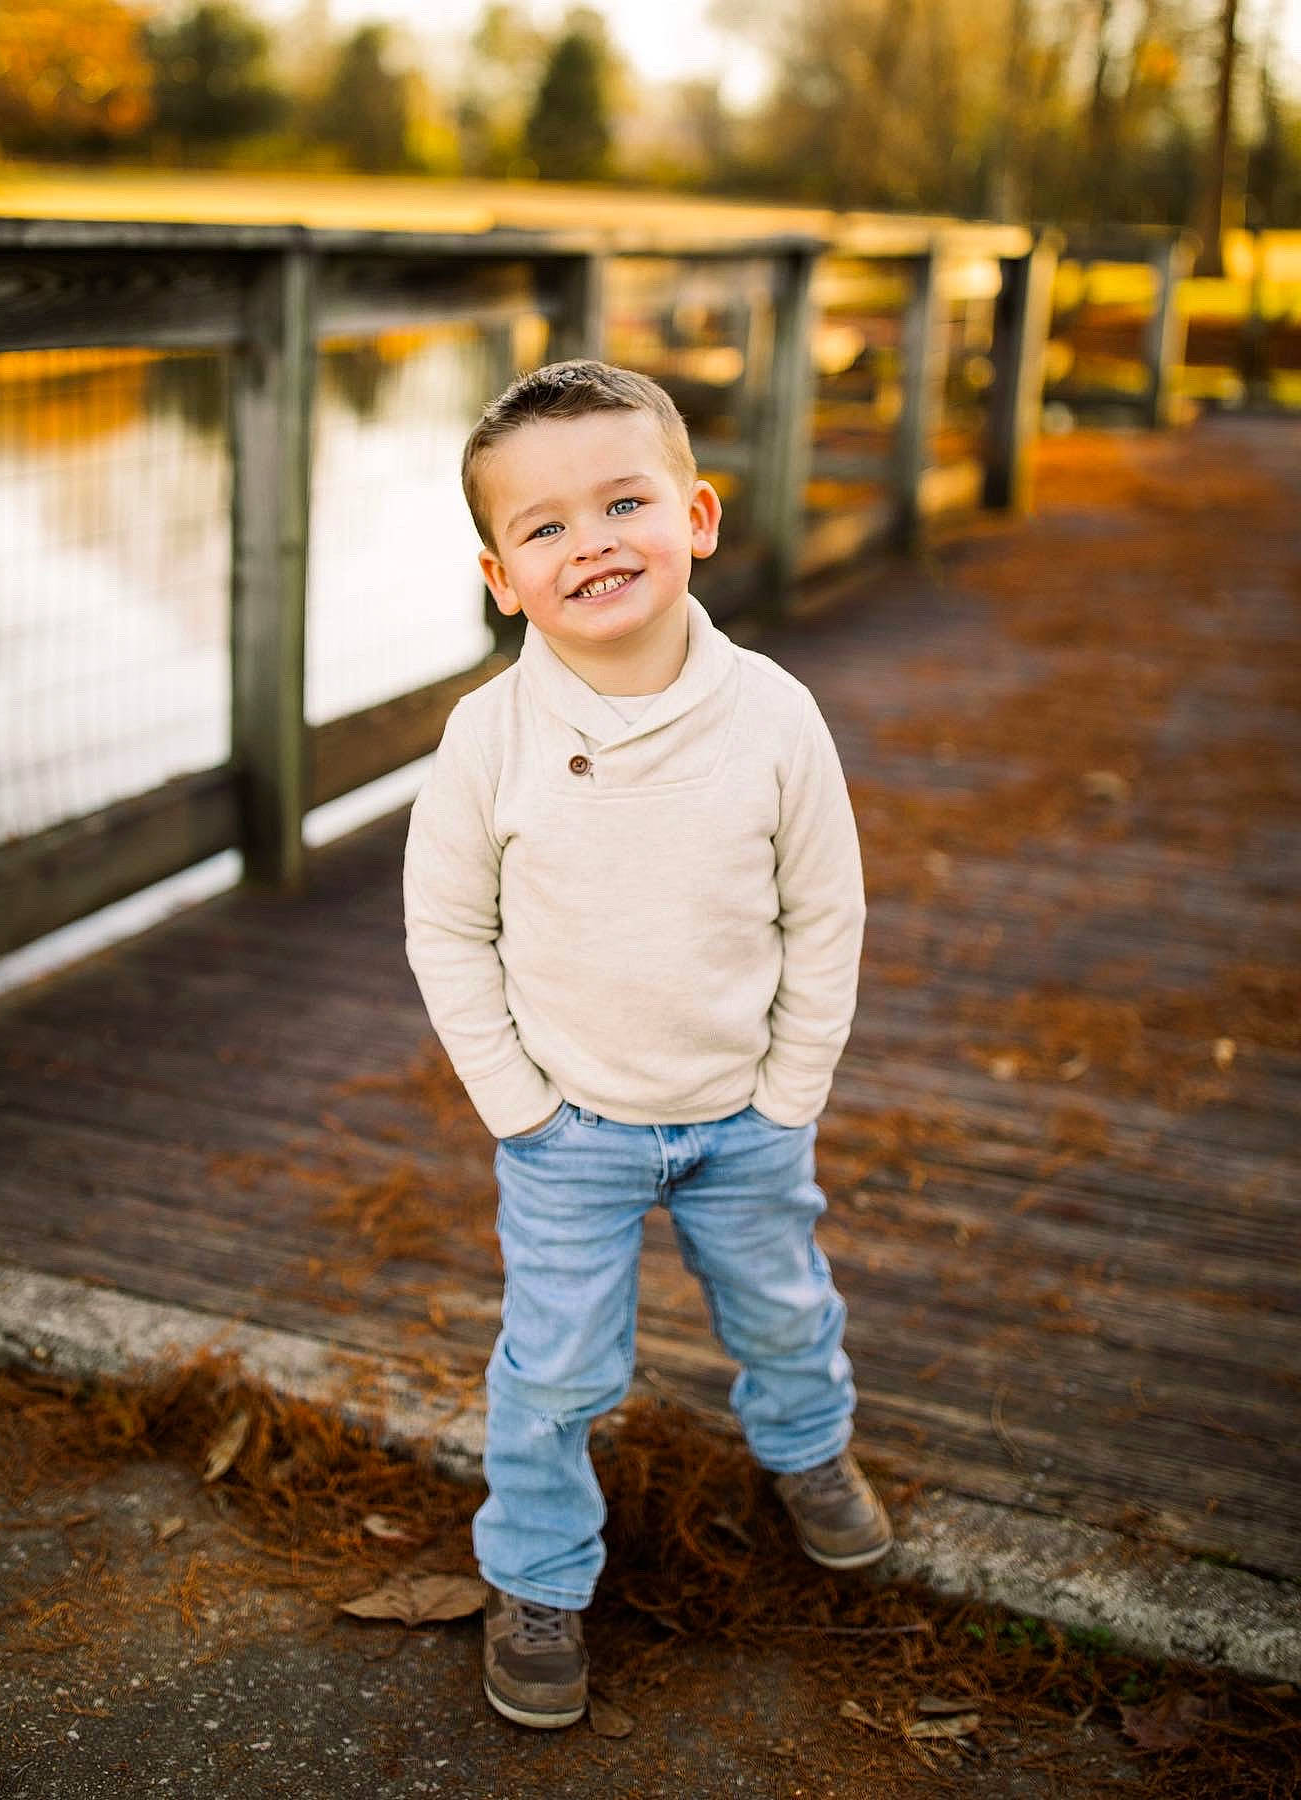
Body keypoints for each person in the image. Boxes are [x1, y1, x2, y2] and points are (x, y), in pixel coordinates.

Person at [402, 360, 890, 1731]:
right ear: (502, 578)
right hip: (572, 1133)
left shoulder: (775, 717)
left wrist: (791, 1090)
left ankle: (808, 1453)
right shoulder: (487, 738)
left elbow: (825, 910)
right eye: (543, 527)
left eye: (624, 500)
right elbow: (447, 930)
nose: (592, 541)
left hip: (744, 1115)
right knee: (554, 1371)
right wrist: (522, 1110)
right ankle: (540, 1579)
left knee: (788, 1310)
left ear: (699, 516)